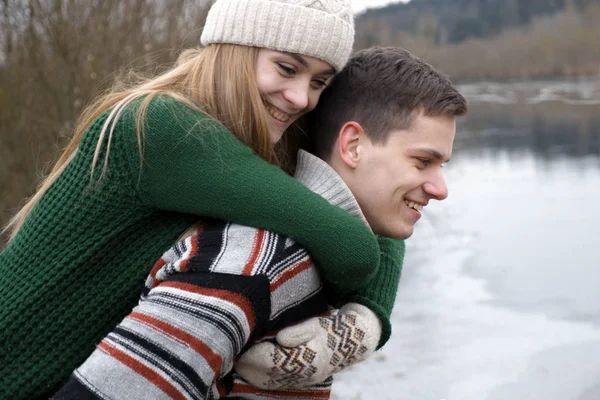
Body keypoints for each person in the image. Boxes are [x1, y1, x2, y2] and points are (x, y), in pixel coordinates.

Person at [0, 1, 392, 399]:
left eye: (319, 82)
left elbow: (380, 209)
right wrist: (355, 322)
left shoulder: (261, 129)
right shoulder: (163, 127)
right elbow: (352, 247)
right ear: (234, 48)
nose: (300, 98)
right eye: (286, 68)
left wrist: (367, 318)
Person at [53, 46, 468, 399]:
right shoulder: (255, 264)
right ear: (352, 145)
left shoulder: (305, 254)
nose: (441, 187)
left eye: (441, 164)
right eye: (423, 161)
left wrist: (368, 320)